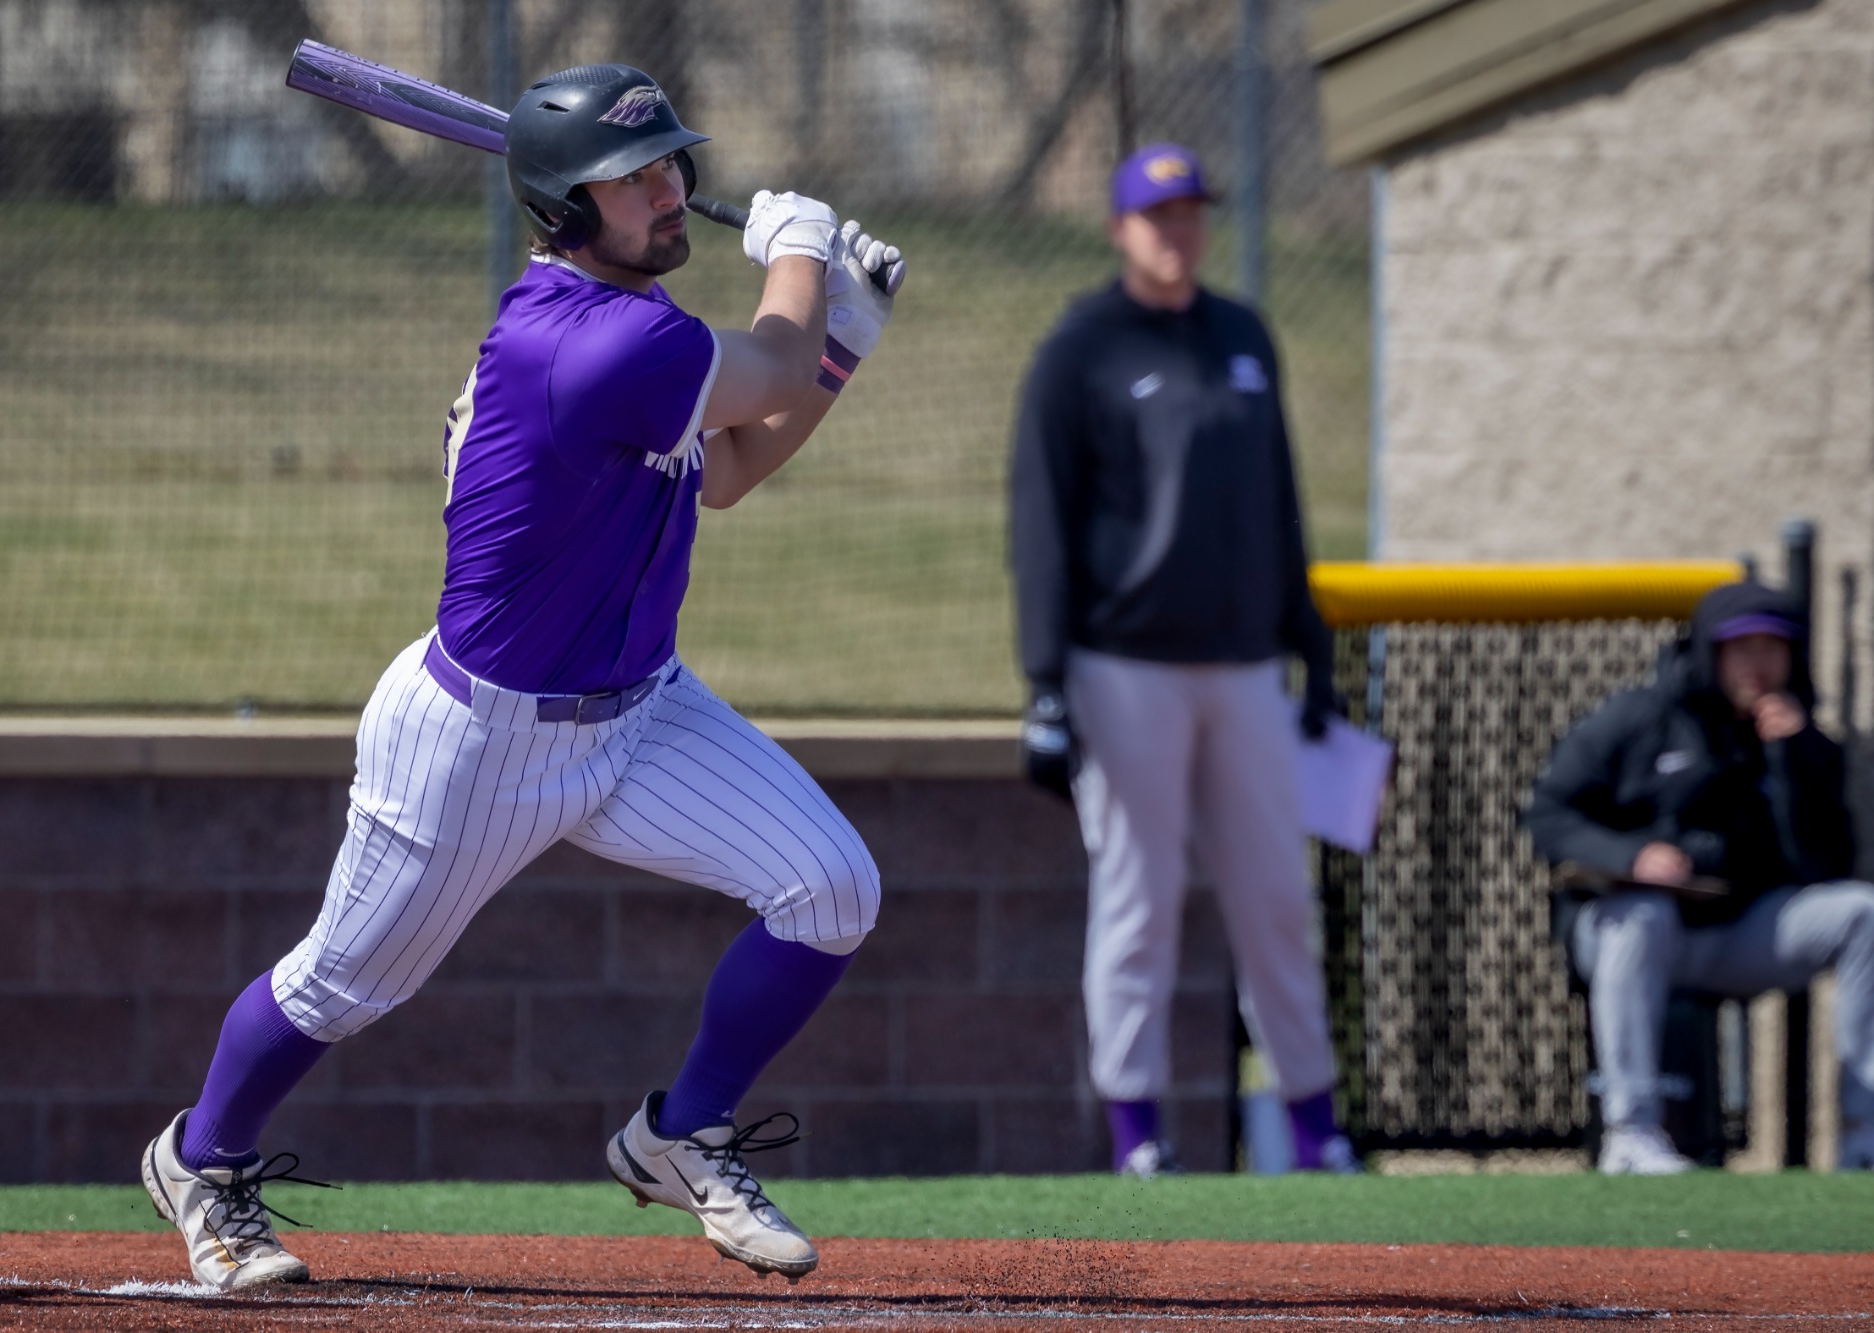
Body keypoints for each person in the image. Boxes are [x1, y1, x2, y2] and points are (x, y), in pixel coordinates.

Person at [139, 65, 907, 1290]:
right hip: (478, 738)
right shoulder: (589, 343)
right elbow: (766, 362)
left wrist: (842, 332)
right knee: (341, 986)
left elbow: (732, 468)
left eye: (670, 165)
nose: (669, 192)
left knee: (831, 888)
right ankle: (202, 1157)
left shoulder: (634, 338)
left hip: (639, 708)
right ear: (564, 207)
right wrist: (802, 252)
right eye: (633, 178)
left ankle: (677, 1134)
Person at [1008, 143, 1355, 1177]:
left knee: (1275, 900)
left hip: (1245, 663)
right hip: (1122, 665)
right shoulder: (1082, 348)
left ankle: (1315, 1132)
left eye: (1192, 211)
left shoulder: (1240, 334)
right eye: (1157, 214)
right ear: (1118, 227)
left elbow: (1280, 500)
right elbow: (1039, 517)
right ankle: (1137, 1137)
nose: (1178, 230)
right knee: (1137, 899)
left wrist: (1311, 649)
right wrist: (1042, 681)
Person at [1526, 580, 1874, 1175]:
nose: (1759, 664)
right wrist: (1633, 857)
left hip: (1735, 934)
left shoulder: (1799, 741)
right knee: (1645, 912)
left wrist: (1792, 761)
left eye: (1773, 648)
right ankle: (1631, 1135)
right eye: (1743, 648)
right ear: (1711, 652)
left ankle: (1861, 1138)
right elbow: (1548, 814)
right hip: (1625, 932)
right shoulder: (1640, 716)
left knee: (1863, 911)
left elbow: (1822, 866)